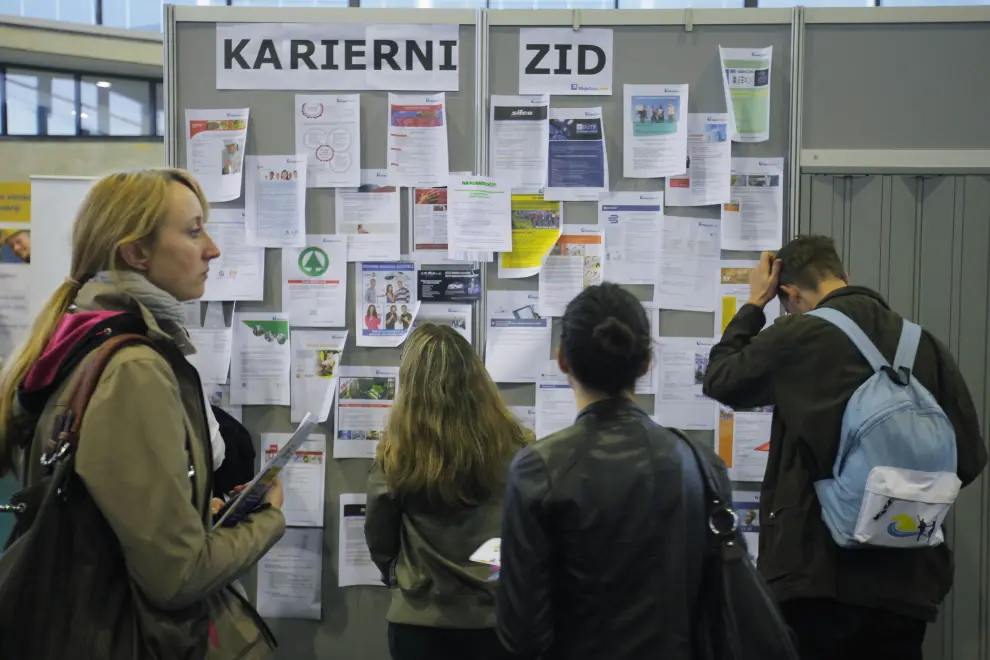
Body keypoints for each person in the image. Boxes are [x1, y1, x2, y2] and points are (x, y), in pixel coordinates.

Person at [0, 169, 286, 657]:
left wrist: (193, 510)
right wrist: (268, 518)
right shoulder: (134, 368)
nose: (212, 249)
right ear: (137, 253)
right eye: (194, 230)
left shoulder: (83, 341)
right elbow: (176, 577)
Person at [702, 237, 987, 660]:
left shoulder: (796, 335)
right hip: (907, 580)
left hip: (818, 578)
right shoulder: (923, 344)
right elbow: (969, 459)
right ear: (844, 277)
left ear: (790, 294)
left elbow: (721, 378)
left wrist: (754, 303)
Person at [496, 282, 730, 660]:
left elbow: (522, 635)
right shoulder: (702, 465)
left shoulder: (539, 470)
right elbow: (717, 611)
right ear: (646, 363)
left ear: (562, 361)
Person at [365, 324, 531, 660]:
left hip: (419, 619)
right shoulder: (517, 446)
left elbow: (380, 537)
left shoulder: (395, 454)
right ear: (476, 376)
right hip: (495, 616)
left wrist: (400, 575)